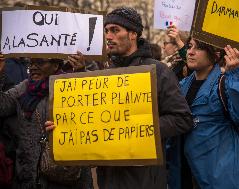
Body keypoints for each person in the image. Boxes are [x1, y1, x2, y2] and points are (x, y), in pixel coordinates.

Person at [46, 7, 193, 189]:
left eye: (115, 30)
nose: (108, 36)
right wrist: (64, 126)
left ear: (133, 34)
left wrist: (137, 128)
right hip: (108, 179)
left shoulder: (159, 71)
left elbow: (183, 119)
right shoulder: (104, 75)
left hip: (145, 180)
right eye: (107, 31)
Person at [180, 38, 239, 189]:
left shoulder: (226, 82)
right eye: (189, 46)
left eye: (198, 48)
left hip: (226, 173)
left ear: (215, 55)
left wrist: (236, 74)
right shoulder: (183, 85)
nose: (190, 52)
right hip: (193, 172)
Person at [0, 53, 93, 189]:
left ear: (55, 65)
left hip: (65, 178)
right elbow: (2, 107)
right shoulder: (24, 88)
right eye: (31, 63)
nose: (33, 67)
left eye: (40, 62)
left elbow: (88, 104)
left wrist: (80, 72)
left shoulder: (69, 86)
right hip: (28, 176)